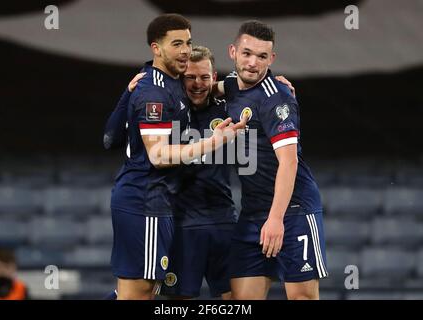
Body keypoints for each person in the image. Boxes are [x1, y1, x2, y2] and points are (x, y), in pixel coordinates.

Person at [108, 14, 246, 300]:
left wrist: (274, 86)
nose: (184, 50)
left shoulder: (166, 83)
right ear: (156, 48)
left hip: (157, 203)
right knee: (140, 291)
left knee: (144, 290)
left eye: (188, 42)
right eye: (176, 44)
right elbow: (158, 156)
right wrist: (213, 142)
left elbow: (110, 139)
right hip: (147, 199)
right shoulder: (155, 93)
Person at [218, 20, 328, 300]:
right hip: (253, 211)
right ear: (233, 51)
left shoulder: (276, 99)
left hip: (292, 210)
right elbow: (199, 88)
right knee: (239, 300)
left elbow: (288, 162)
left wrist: (276, 219)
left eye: (262, 56)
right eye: (246, 53)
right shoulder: (230, 86)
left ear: (272, 59)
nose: (253, 62)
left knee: (302, 297)